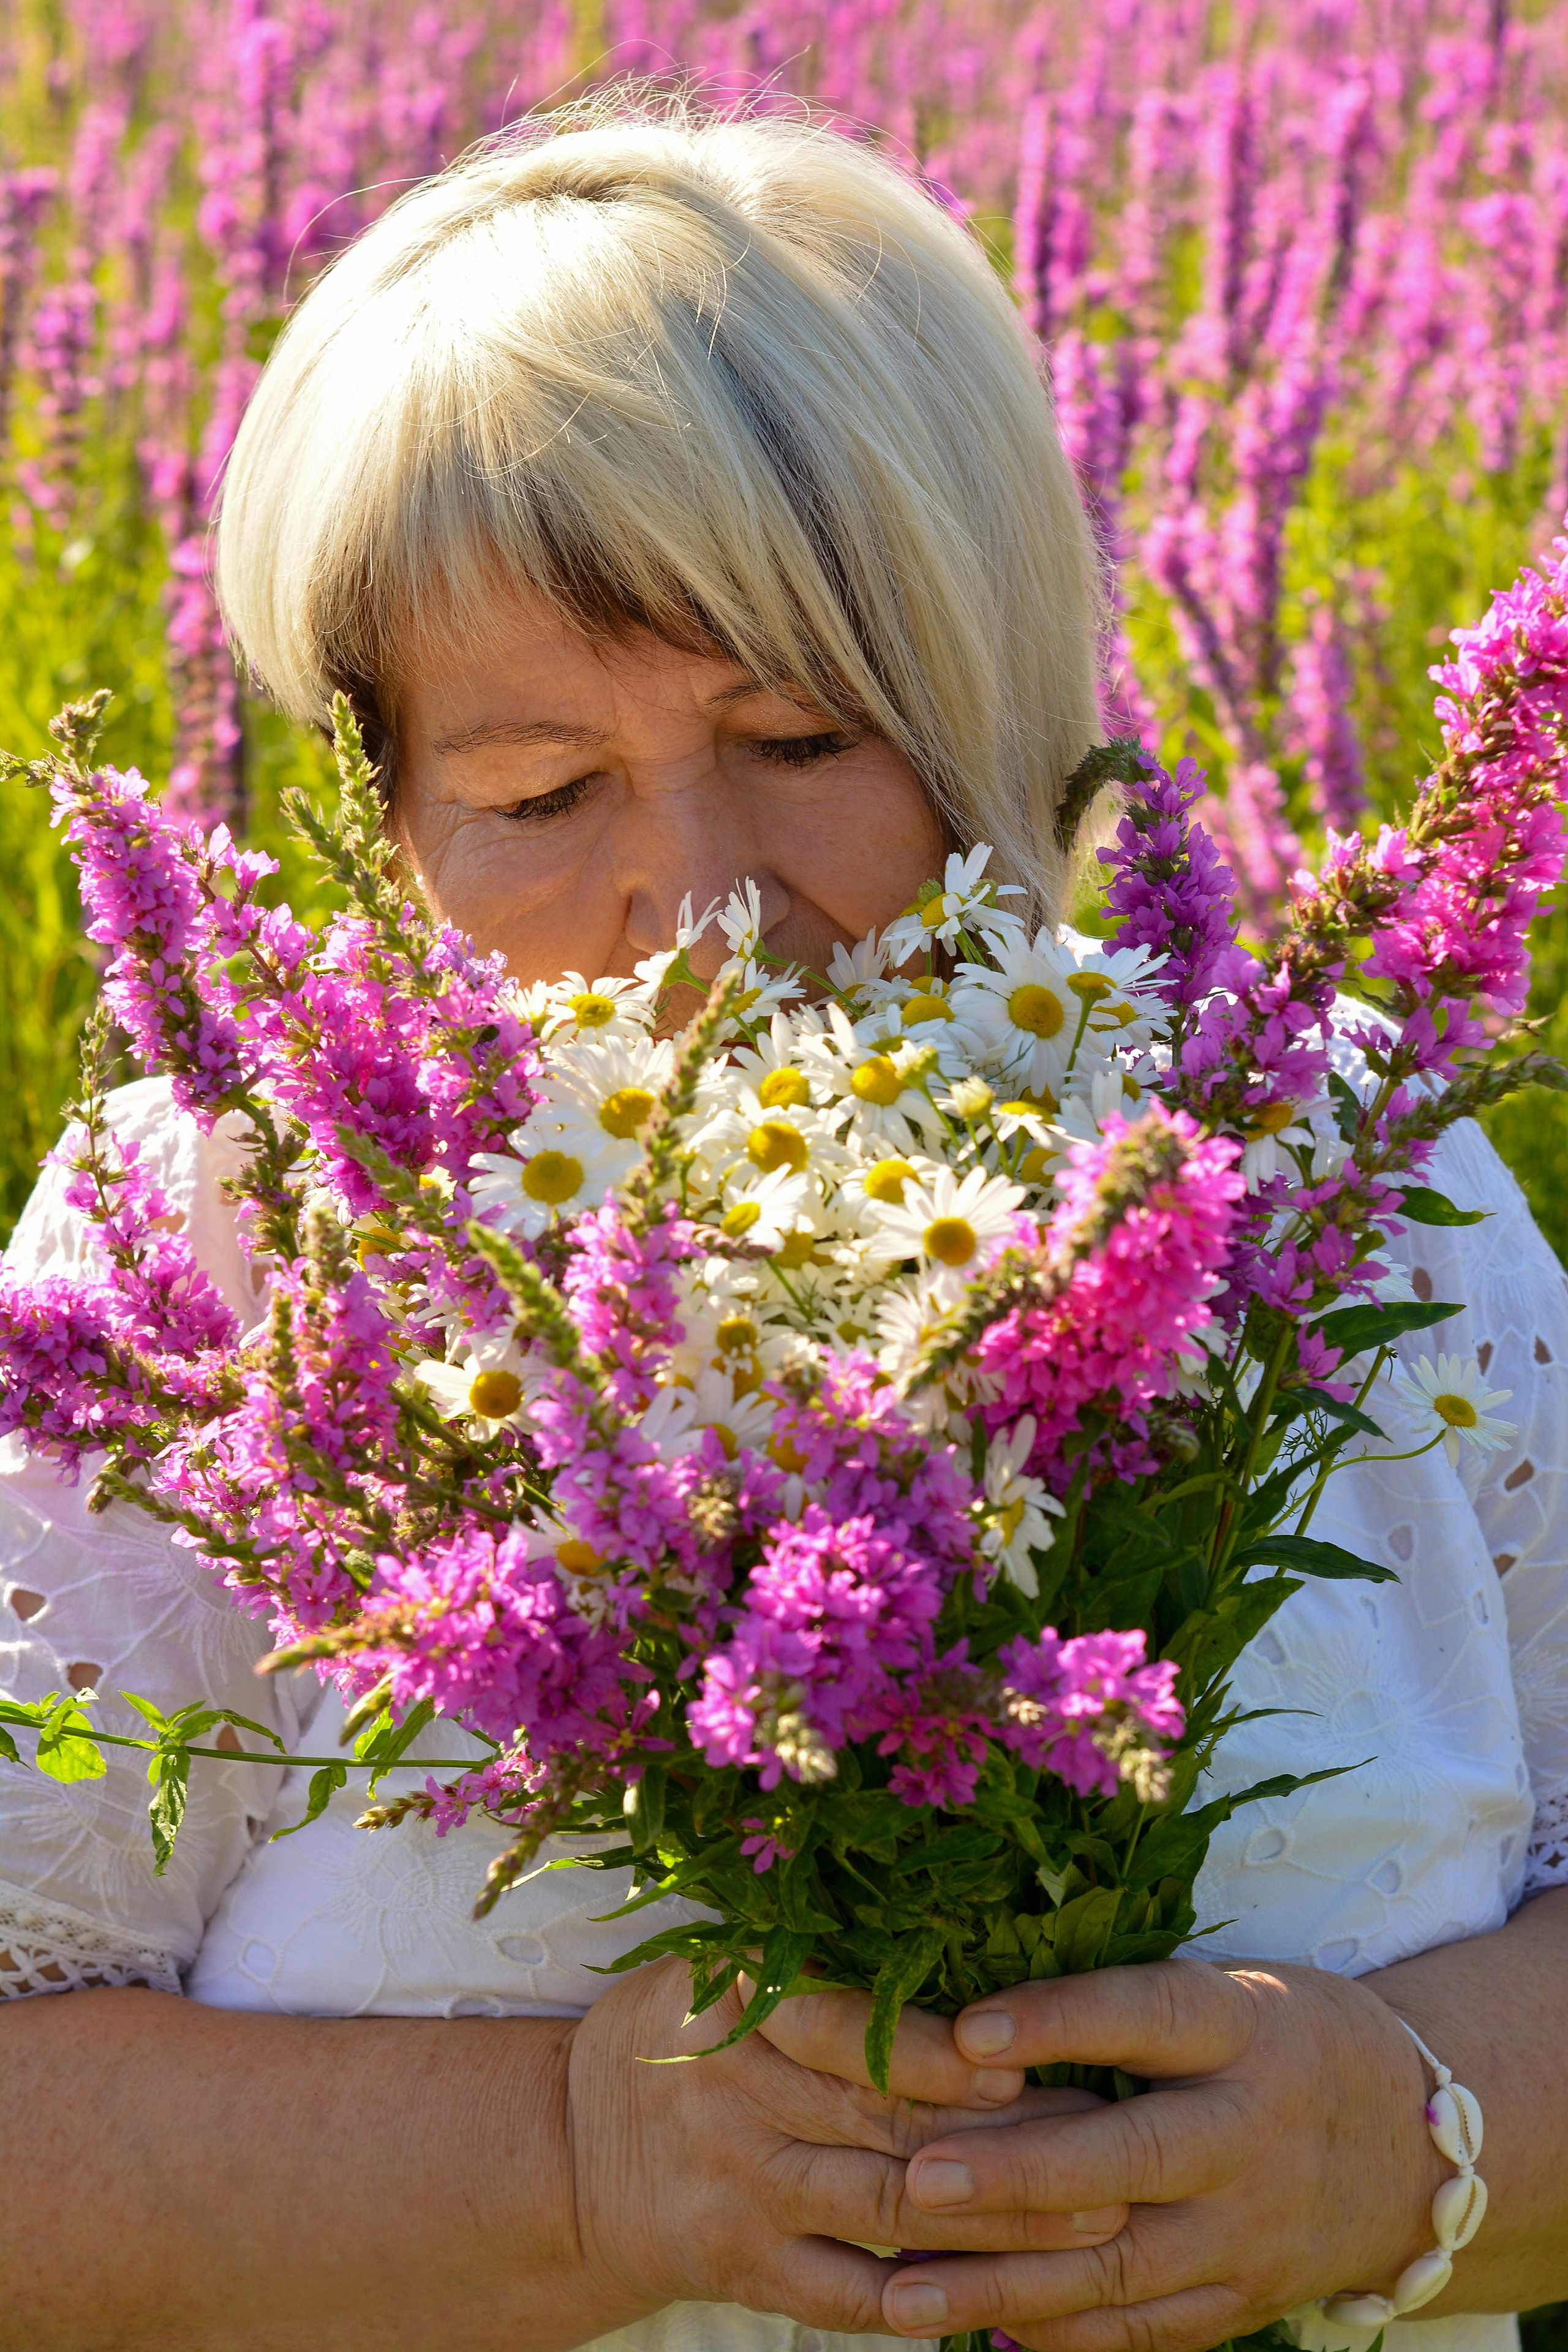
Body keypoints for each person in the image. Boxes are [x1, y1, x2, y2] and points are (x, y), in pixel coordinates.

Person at [1, 96, 1566, 2352]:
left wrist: (1386, 2139)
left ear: (1000, 705)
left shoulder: (1339, 1171)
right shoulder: (235, 1254)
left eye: (807, 734)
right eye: (539, 792)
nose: (700, 896)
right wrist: (578, 2170)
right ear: (377, 806)